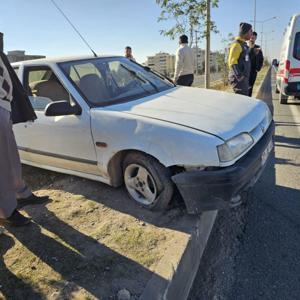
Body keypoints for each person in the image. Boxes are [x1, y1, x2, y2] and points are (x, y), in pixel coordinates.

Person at [0, 32, 48, 227]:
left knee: (11, 159)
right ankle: (7, 212)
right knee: (3, 164)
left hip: (4, 107)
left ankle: (22, 194)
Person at [228, 23, 253, 96]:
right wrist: (239, 77)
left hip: (243, 79)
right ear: (245, 32)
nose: (252, 33)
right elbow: (232, 62)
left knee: (244, 100)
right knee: (241, 102)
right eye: (250, 31)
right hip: (238, 80)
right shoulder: (236, 44)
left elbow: (245, 59)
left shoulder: (243, 44)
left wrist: (253, 52)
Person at [248, 32, 264, 96]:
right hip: (246, 71)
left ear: (255, 39)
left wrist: (258, 68)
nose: (252, 39)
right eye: (251, 37)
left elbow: (261, 59)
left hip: (254, 71)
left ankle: (249, 101)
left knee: (251, 87)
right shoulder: (245, 47)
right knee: (245, 87)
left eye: (253, 38)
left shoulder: (258, 47)